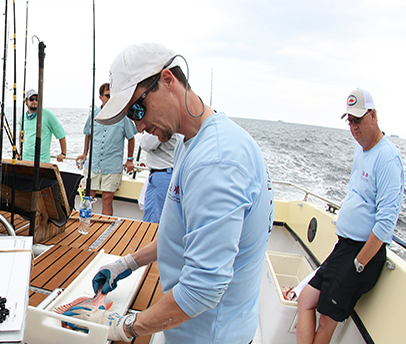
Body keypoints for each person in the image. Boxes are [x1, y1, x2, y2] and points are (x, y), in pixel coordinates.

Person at [66, 43, 273, 343]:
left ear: (167, 80)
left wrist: (123, 327)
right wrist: (128, 263)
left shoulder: (215, 161)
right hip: (188, 329)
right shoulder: (193, 142)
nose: (138, 126)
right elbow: (181, 234)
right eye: (129, 117)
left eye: (137, 109)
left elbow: (203, 288)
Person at [296, 88, 404, 344]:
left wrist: (359, 263)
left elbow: (387, 220)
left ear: (373, 116)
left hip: (360, 254)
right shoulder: (361, 149)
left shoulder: (388, 159)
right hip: (343, 248)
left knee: (326, 320)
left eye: (358, 120)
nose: (354, 127)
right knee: (305, 299)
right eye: (350, 121)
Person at [75, 82, 137, 216]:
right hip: (93, 163)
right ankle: (85, 224)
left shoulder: (123, 115)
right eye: (107, 96)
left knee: (107, 199)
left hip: (112, 165)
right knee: (87, 197)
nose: (110, 98)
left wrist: (130, 159)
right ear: (100, 97)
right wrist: (85, 154)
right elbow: (88, 134)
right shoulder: (94, 114)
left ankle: (105, 229)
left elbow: (131, 137)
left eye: (112, 96)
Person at [139, 131, 180, 223]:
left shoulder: (162, 124)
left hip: (162, 175)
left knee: (152, 220)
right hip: (168, 173)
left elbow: (146, 143)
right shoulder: (173, 123)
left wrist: (143, 136)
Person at [20, 89, 67, 163]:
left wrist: (63, 153)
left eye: (37, 99)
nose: (35, 101)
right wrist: (20, 150)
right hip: (25, 159)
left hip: (42, 161)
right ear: (26, 101)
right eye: (31, 99)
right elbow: (22, 134)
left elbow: (61, 134)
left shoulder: (48, 115)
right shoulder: (23, 117)